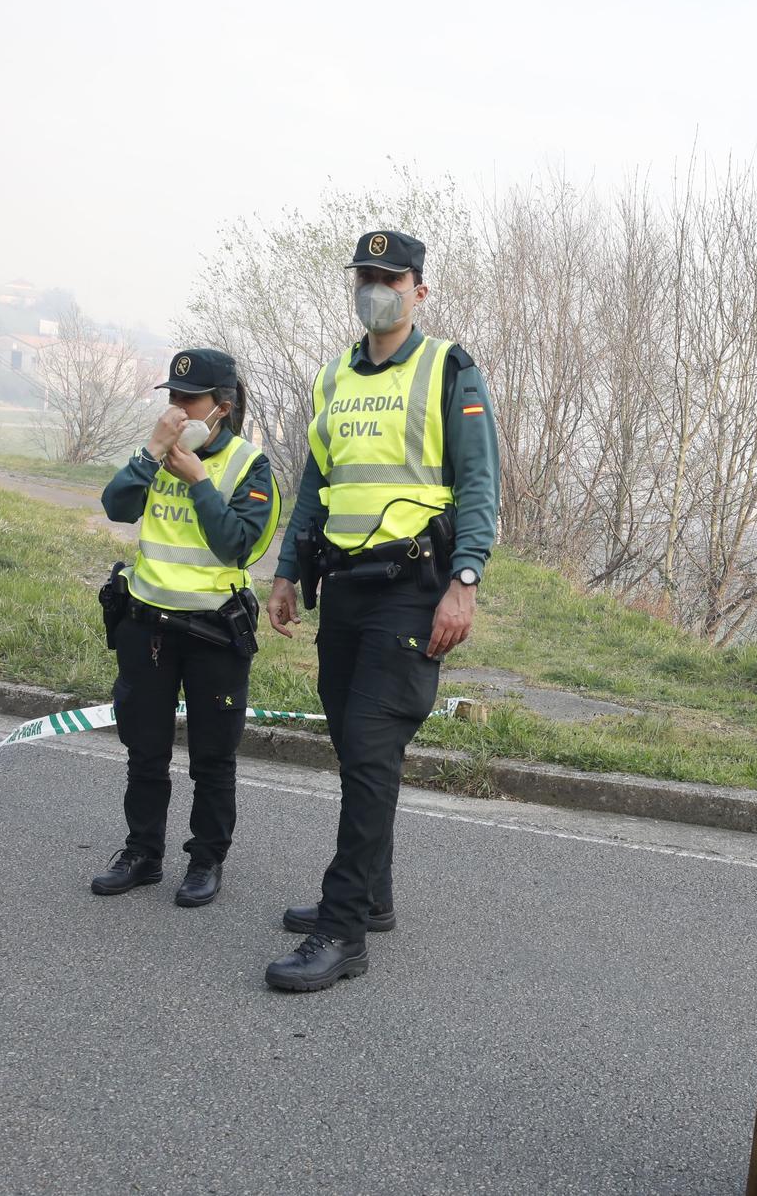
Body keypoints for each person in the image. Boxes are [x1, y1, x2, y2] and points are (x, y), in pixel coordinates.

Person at [262, 228, 500, 991]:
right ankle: (373, 896)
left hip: (412, 586)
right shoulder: (334, 377)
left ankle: (342, 931)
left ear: (418, 290)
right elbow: (313, 485)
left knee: (368, 750)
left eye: (391, 277)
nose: (376, 287)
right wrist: (287, 571)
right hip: (346, 589)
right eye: (366, 275)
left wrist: (464, 583)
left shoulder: (447, 369)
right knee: (356, 746)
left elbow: (478, 485)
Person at [90, 348, 278, 909]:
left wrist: (198, 480)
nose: (177, 411)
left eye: (187, 401)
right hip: (146, 626)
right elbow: (117, 507)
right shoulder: (157, 454)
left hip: (213, 633)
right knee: (144, 751)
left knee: (212, 757)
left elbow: (238, 544)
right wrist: (151, 452)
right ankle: (142, 852)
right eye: (171, 398)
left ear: (221, 407)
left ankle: (205, 859)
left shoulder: (249, 466)